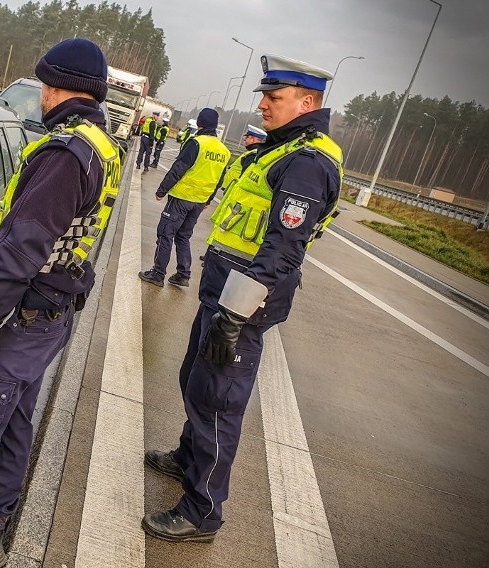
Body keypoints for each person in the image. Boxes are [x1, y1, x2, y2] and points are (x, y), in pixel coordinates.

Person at [0, 38, 121, 568]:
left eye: (44, 86)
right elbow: (51, 223)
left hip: (19, 319)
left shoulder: (62, 153)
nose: (41, 97)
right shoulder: (98, 146)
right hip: (51, 315)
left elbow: (19, 251)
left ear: (55, 88)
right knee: (12, 428)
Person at [141, 54, 343, 543]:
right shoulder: (280, 150)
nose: (263, 104)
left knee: (217, 404)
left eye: (274, 98)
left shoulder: (306, 164)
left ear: (306, 101)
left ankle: (202, 511)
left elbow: (281, 251)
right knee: (195, 379)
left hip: (240, 307)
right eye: (264, 95)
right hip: (220, 295)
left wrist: (233, 316)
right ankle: (187, 458)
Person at [138, 107, 230, 289]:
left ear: (200, 124)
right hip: (199, 202)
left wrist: (162, 190)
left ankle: (158, 274)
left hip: (181, 198)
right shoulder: (224, 151)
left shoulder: (196, 143)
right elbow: (219, 180)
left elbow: (179, 168)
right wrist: (208, 200)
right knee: (183, 237)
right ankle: (183, 274)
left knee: (166, 234)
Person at [198, 124, 267, 263]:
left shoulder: (252, 156)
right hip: (232, 195)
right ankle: (209, 254)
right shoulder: (252, 154)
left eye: (247, 137)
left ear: (254, 139)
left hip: (237, 199)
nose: (244, 140)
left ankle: (212, 254)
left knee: (224, 227)